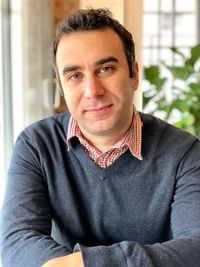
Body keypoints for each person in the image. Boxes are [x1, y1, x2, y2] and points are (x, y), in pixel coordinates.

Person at [1, 8, 200, 267]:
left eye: (105, 69)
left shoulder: (185, 153)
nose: (92, 91)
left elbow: (195, 248)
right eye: (74, 76)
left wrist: (85, 263)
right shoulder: (36, 145)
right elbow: (16, 242)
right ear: (62, 86)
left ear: (134, 75)